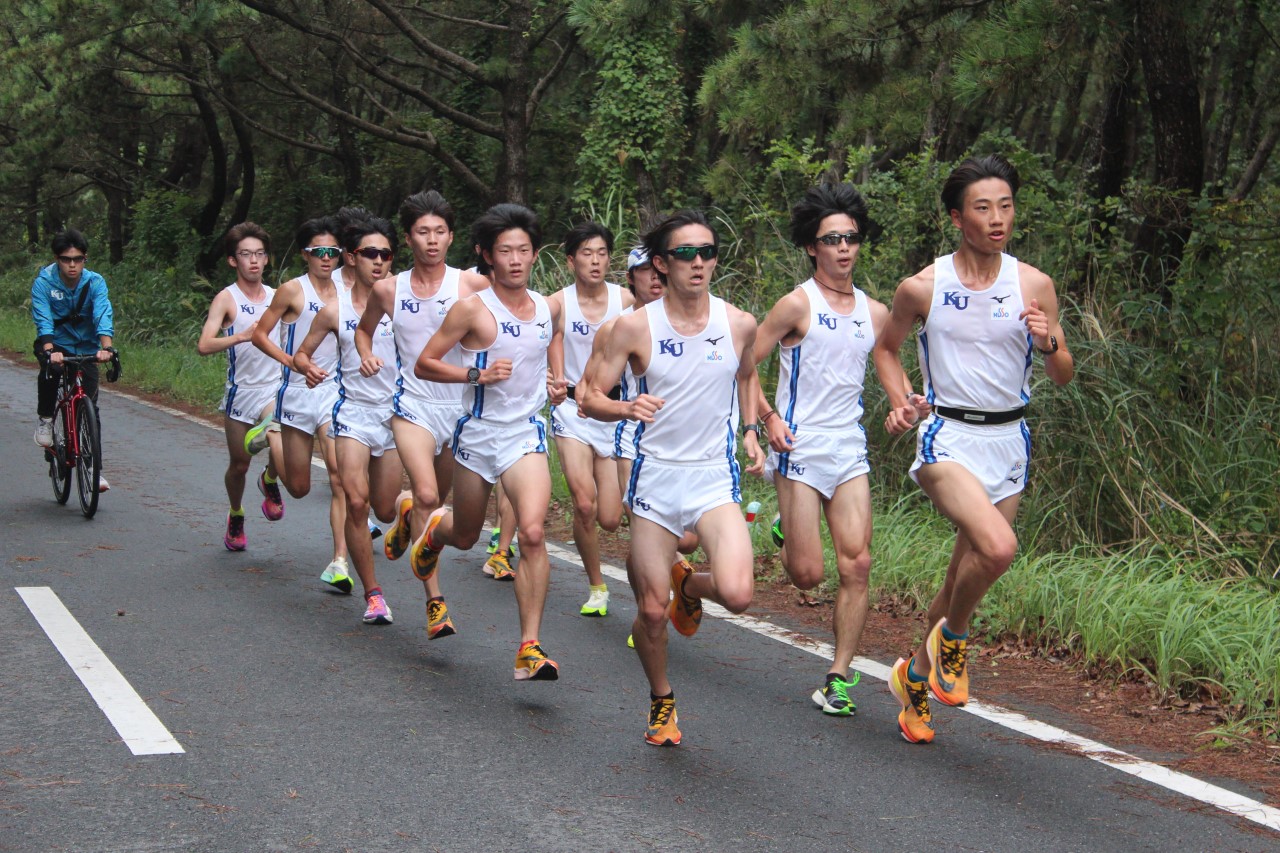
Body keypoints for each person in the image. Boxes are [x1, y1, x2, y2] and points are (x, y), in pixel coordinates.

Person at [872, 154, 1074, 744]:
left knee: (967, 565)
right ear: (957, 217)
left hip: (1010, 439)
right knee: (999, 547)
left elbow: (1062, 372)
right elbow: (887, 350)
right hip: (948, 436)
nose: (997, 218)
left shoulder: (1033, 285)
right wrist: (903, 397)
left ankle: (914, 676)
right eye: (983, 208)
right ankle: (955, 639)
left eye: (1006, 206)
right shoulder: (923, 287)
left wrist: (1050, 338)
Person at [580, 210, 764, 746]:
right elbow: (589, 397)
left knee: (738, 594)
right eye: (687, 254)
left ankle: (691, 582)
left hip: (712, 477)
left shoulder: (739, 323)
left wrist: (751, 428)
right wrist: (626, 407)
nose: (700, 263)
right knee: (652, 612)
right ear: (661, 264)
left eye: (708, 252)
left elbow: (747, 374)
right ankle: (662, 699)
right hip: (655, 479)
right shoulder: (633, 328)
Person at [753, 182, 906, 717]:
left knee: (858, 564)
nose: (844, 248)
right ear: (812, 247)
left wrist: (902, 406)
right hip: (797, 447)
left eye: (851, 238)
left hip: (849, 449)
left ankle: (838, 676)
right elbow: (743, 365)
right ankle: (771, 534)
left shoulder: (877, 311)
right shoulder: (796, 305)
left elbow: (892, 369)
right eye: (832, 239)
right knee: (807, 576)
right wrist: (765, 418)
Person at [413, 203, 568, 681]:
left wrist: (557, 378)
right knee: (464, 535)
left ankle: (529, 647)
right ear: (487, 256)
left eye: (524, 250)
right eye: (505, 251)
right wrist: (475, 373)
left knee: (534, 532)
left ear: (535, 254)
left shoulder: (548, 305)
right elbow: (425, 363)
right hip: (478, 435)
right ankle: (430, 532)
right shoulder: (471, 310)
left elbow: (551, 335)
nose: (516, 259)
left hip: (524, 433)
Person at [358, 189, 489, 639]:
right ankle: (435, 603)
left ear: (451, 236)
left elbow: (509, 329)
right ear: (408, 239)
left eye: (439, 231)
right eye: (421, 232)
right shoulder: (387, 288)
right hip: (412, 406)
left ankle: (407, 517)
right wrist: (366, 355)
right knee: (431, 496)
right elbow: (364, 331)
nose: (431, 240)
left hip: (461, 410)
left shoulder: (472, 286)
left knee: (439, 513)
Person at [293, 217, 405, 626]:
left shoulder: (403, 304)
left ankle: (401, 516)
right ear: (352, 258)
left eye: (386, 255)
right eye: (370, 254)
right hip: (352, 414)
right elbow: (303, 353)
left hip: (395, 417)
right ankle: (374, 596)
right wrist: (306, 368)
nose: (379, 262)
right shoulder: (334, 311)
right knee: (355, 501)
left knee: (385, 509)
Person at [247, 216, 353, 592]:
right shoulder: (293, 290)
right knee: (300, 488)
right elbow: (260, 334)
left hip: (333, 392)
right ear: (306, 254)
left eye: (333, 252)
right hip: (294, 391)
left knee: (340, 477)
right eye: (318, 252)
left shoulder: (348, 291)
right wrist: (292, 361)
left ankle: (340, 561)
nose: (326, 259)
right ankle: (270, 455)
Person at [547, 221, 634, 616]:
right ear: (570, 260)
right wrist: (550, 379)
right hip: (571, 410)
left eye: (601, 253)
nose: (595, 261)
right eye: (586, 253)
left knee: (611, 518)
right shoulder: (557, 304)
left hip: (613, 414)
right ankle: (597, 586)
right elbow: (544, 345)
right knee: (584, 504)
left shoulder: (628, 301)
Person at [197, 223, 285, 550]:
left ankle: (271, 479)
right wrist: (241, 335)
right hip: (240, 394)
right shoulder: (226, 298)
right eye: (246, 254)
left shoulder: (279, 297)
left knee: (279, 431)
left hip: (273, 388)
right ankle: (236, 513)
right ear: (233, 260)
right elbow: (204, 345)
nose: (254, 261)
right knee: (239, 465)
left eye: (260, 254)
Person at [32, 229, 116, 492]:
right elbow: (43, 317)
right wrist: (49, 349)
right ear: (57, 259)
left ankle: (93, 470)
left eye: (77, 259)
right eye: (66, 259)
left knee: (90, 405)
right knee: (51, 369)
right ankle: (46, 419)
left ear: (84, 259)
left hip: (87, 347)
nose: (72, 265)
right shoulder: (44, 282)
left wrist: (107, 347)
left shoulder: (95, 282)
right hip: (55, 343)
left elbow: (103, 313)